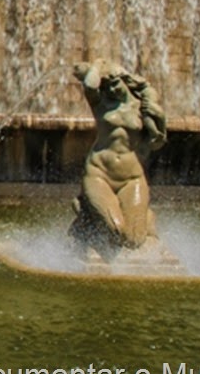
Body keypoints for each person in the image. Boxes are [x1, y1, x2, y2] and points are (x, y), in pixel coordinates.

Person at [70, 59, 167, 251]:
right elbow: (89, 85)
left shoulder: (143, 108)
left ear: (125, 81)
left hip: (132, 179)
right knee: (115, 229)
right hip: (99, 174)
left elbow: (157, 143)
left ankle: (145, 217)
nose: (112, 90)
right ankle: (87, 209)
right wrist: (98, 64)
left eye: (114, 84)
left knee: (133, 240)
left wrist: (161, 118)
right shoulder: (101, 105)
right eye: (107, 86)